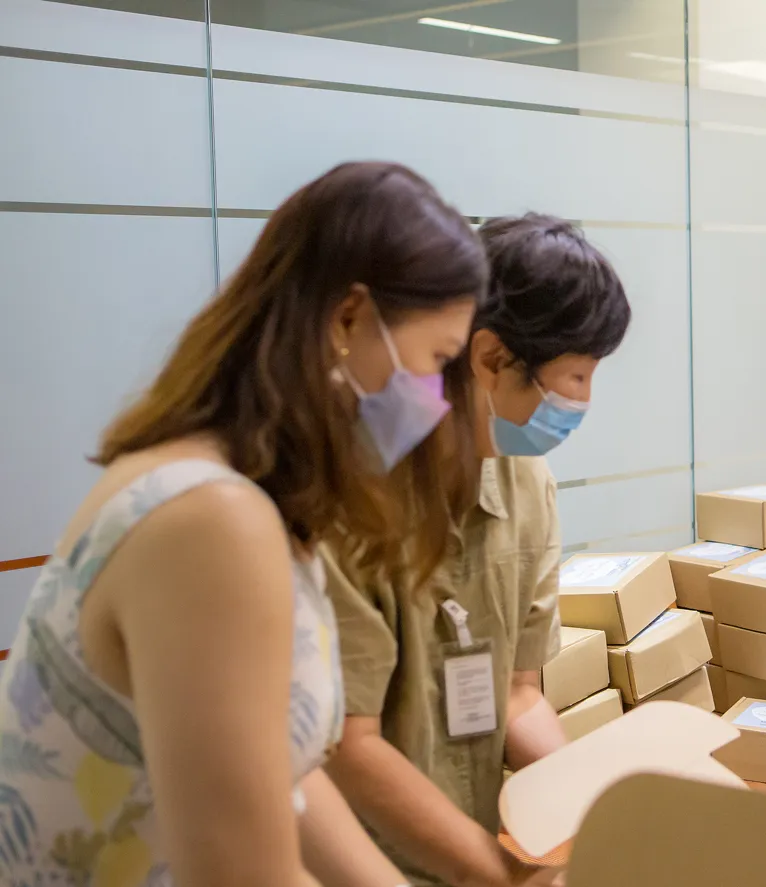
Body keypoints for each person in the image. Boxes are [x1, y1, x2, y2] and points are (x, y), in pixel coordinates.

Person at [0, 161, 488, 886]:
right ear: (348, 319)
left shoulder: (250, 505)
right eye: (436, 361)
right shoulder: (211, 523)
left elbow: (286, 779)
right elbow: (238, 872)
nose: (434, 403)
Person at [322, 213, 631, 887]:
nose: (583, 400)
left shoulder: (528, 483)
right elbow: (348, 742)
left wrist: (597, 816)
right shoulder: (353, 502)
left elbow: (519, 695)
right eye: (575, 375)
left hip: (472, 845)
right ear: (488, 358)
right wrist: (496, 871)